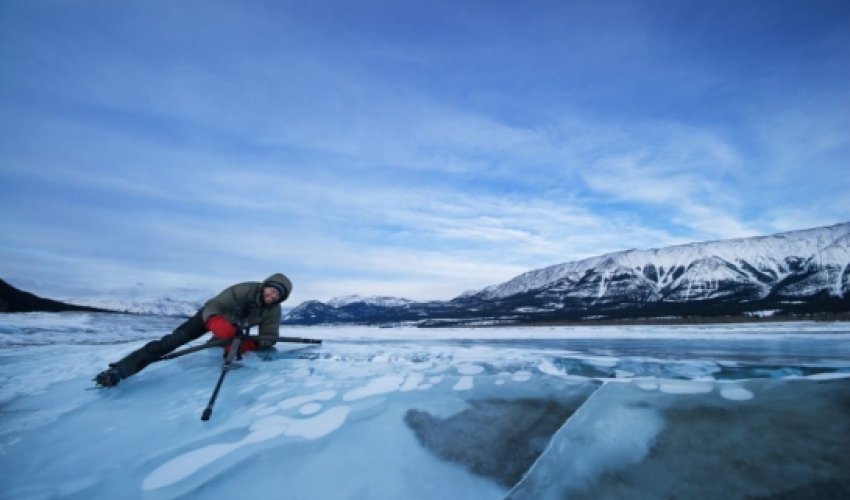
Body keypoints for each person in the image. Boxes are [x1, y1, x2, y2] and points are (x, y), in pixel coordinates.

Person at [94, 273, 292, 388]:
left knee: (245, 350)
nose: (272, 295)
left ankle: (220, 345)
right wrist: (216, 323)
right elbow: (214, 306)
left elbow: (270, 336)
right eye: (271, 290)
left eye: (277, 294)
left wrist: (251, 343)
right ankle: (119, 371)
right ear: (265, 286)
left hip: (235, 331)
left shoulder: (273, 310)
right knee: (171, 343)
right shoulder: (244, 290)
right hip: (209, 319)